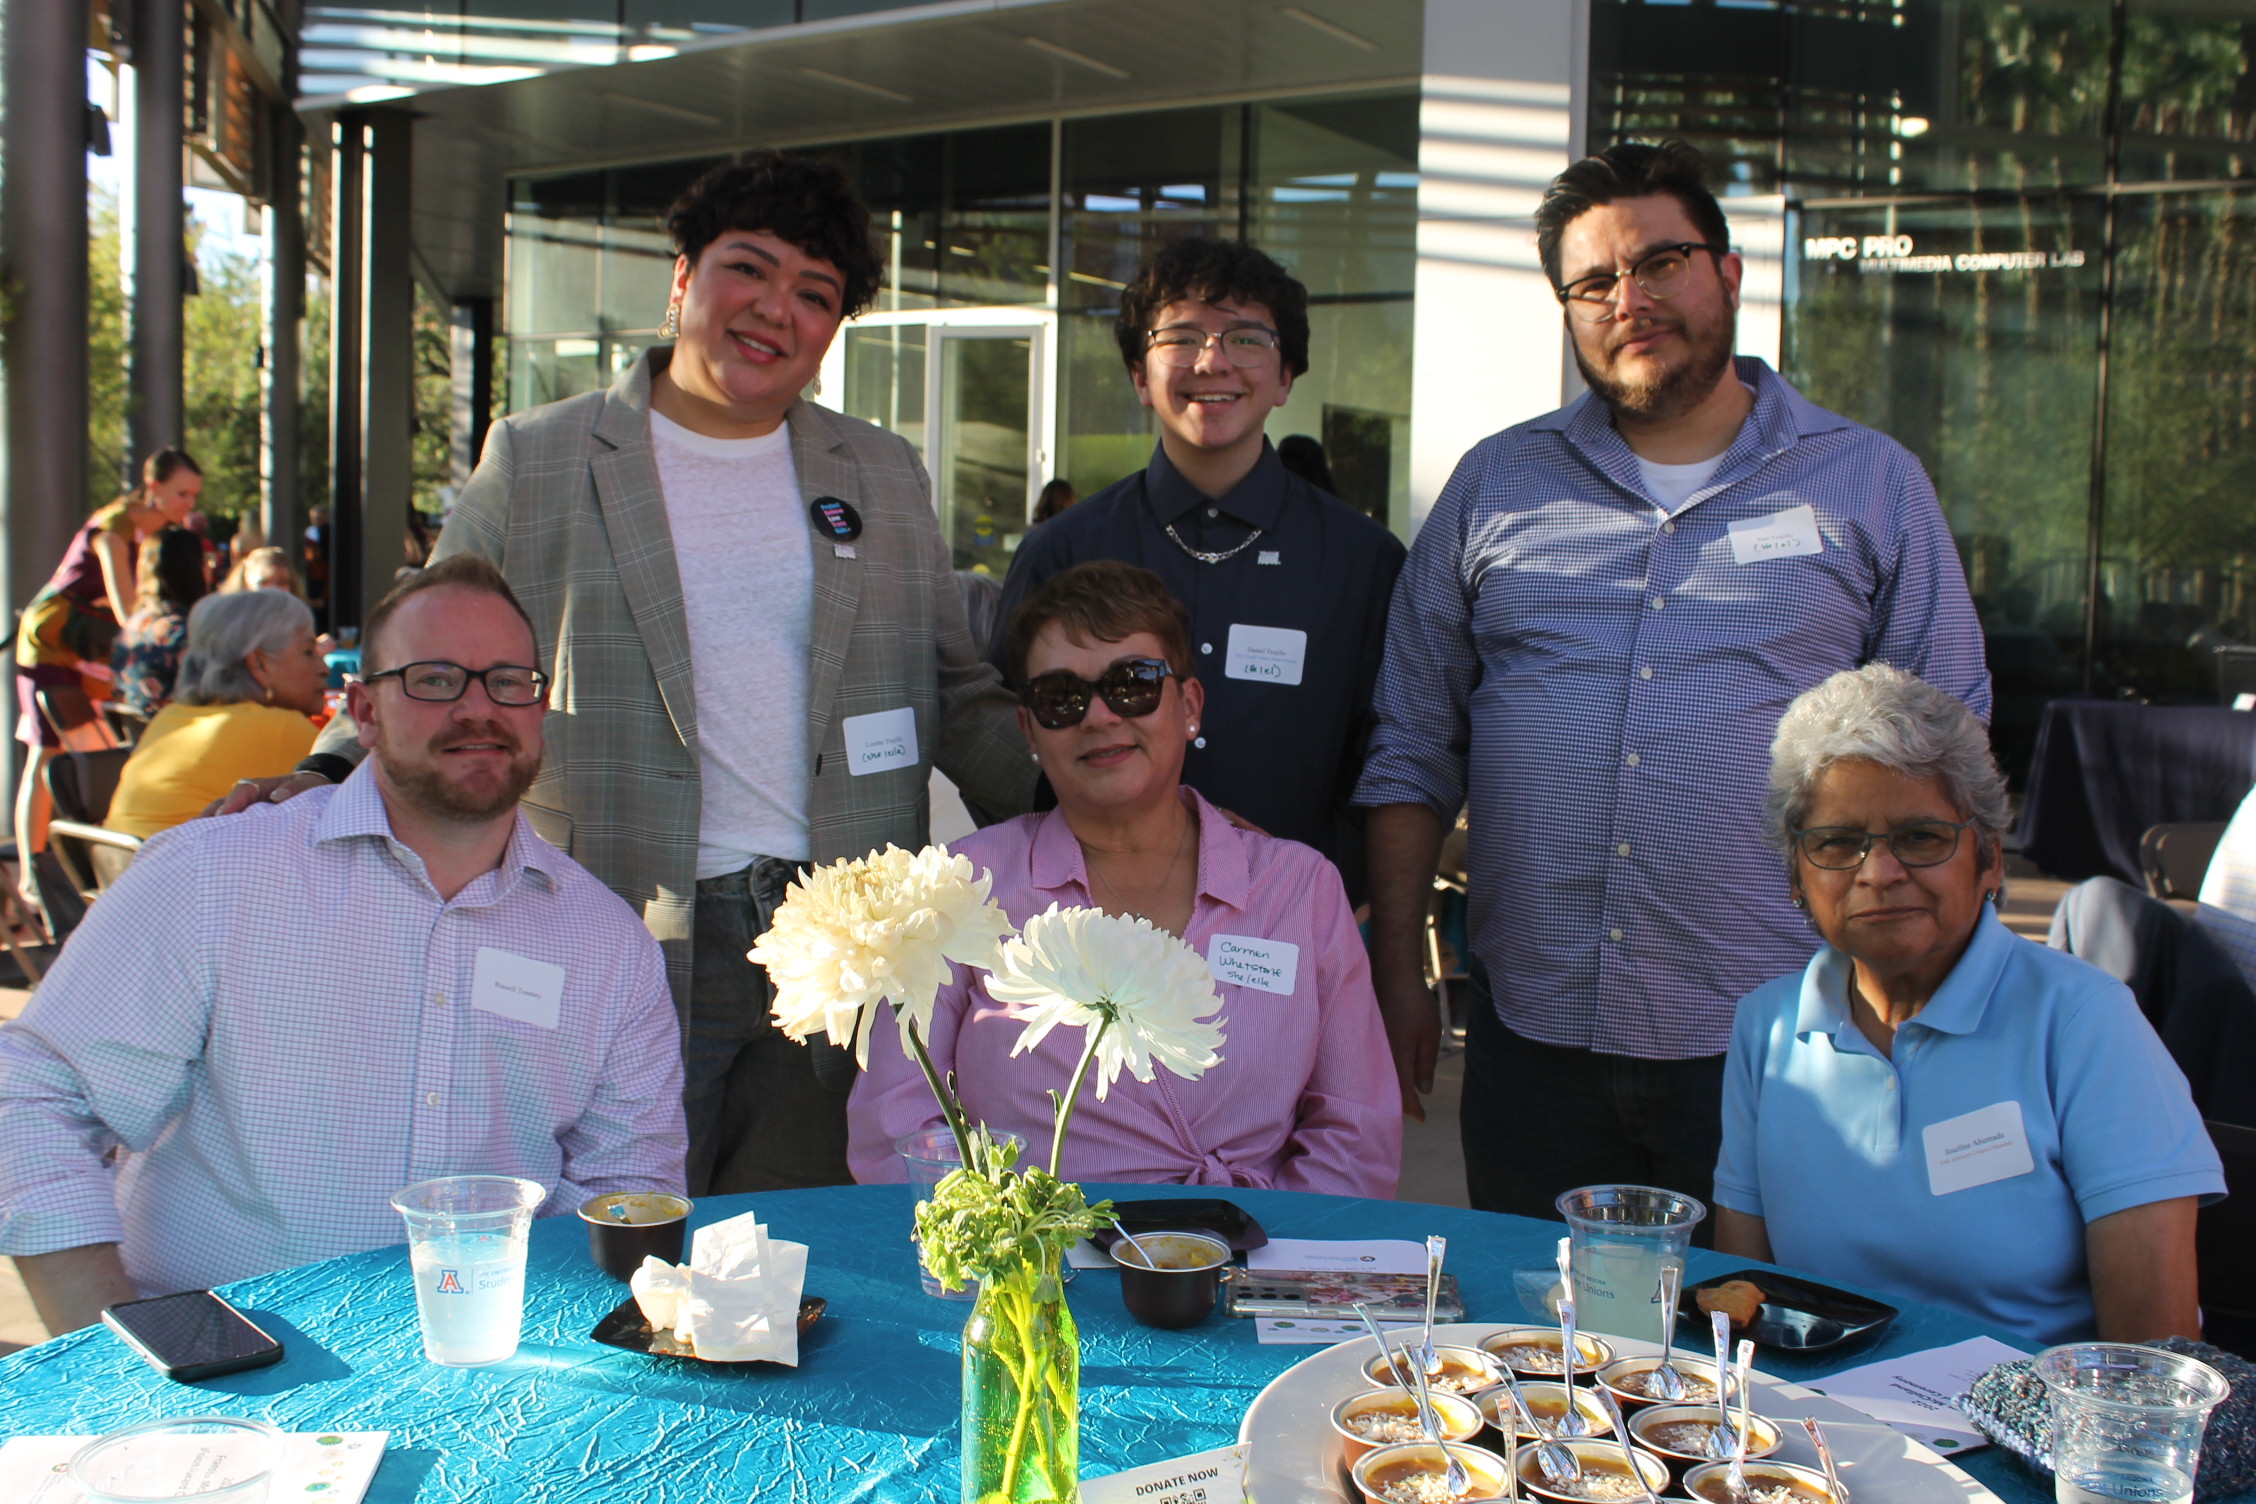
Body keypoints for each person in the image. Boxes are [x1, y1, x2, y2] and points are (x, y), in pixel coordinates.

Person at [237, 153, 1035, 1198]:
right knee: (626, 1245)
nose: (774, 310)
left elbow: (958, 689)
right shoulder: (541, 456)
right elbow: (425, 647)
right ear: (681, 279)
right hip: (626, 919)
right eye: (747, 270)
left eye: (815, 295)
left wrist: (1104, 813)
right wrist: (318, 771)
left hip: (844, 941)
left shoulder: (881, 472)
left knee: (806, 1258)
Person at [1355, 140, 1993, 1216]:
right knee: (1532, 1357)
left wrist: (1936, 996)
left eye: (1660, 263)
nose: (1629, 300)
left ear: (1729, 273)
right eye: (1594, 282)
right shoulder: (1495, 485)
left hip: (1784, 1039)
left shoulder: (1871, 483)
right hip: (1531, 1042)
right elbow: (1414, 743)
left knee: (1757, 1357)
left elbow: (1951, 751)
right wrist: (1398, 973)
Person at [0, 556, 687, 1335]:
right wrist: (106, 1339)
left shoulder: (607, 944)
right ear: (362, 711)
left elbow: (625, 1184)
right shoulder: (218, 876)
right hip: (230, 1369)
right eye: (433, 679)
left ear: (540, 707)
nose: (478, 709)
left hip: (495, 1370)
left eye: (508, 680)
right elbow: (34, 1091)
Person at [848, 562, 1400, 1194]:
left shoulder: (1299, 891)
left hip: (1248, 1261)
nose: (1100, 716)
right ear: (1028, 729)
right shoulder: (958, 888)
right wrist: (1001, 1259)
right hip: (1038, 1273)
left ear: (1189, 705)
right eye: (1061, 698)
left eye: (1131, 684)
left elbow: (1354, 1135)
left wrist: (1272, 1266)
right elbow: (895, 1126)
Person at [1714, 664, 2219, 1345]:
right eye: (1837, 843)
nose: (1878, 873)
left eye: (1921, 837)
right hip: (1820, 1430)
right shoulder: (1767, 1029)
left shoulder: (2083, 1022)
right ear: (1798, 878)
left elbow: (2148, 1352)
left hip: (2037, 1433)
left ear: (1989, 861)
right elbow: (1746, 1309)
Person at [990, 239, 1404, 903]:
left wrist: (1317, 891)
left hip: (1286, 923)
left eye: (1246, 339)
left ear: (1286, 375)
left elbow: (1390, 760)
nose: (1212, 362)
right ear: (1138, 373)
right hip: (1088, 928)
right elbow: (1008, 741)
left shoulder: (1363, 561)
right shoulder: (1065, 549)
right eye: (1180, 337)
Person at [12, 451, 203, 859]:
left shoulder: (157, 535)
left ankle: (67, 863)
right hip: (53, 645)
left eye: (194, 497)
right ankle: (33, 870)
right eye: (182, 494)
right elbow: (127, 611)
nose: (189, 505)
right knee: (47, 754)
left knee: (87, 759)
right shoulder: (115, 525)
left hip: (94, 652)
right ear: (153, 486)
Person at [106, 591, 327, 839]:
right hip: (188, 872)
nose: (324, 667)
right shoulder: (281, 727)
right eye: (308, 652)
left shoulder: (171, 714)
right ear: (259, 664)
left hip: (126, 871)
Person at [109, 526, 211, 720]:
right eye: (206, 561)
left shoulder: (133, 625)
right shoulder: (182, 632)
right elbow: (216, 692)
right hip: (180, 738)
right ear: (193, 569)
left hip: (142, 740)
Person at [220, 545, 308, 598]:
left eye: (281, 583)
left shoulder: (300, 622)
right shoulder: (231, 623)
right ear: (245, 585)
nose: (273, 589)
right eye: (262, 583)